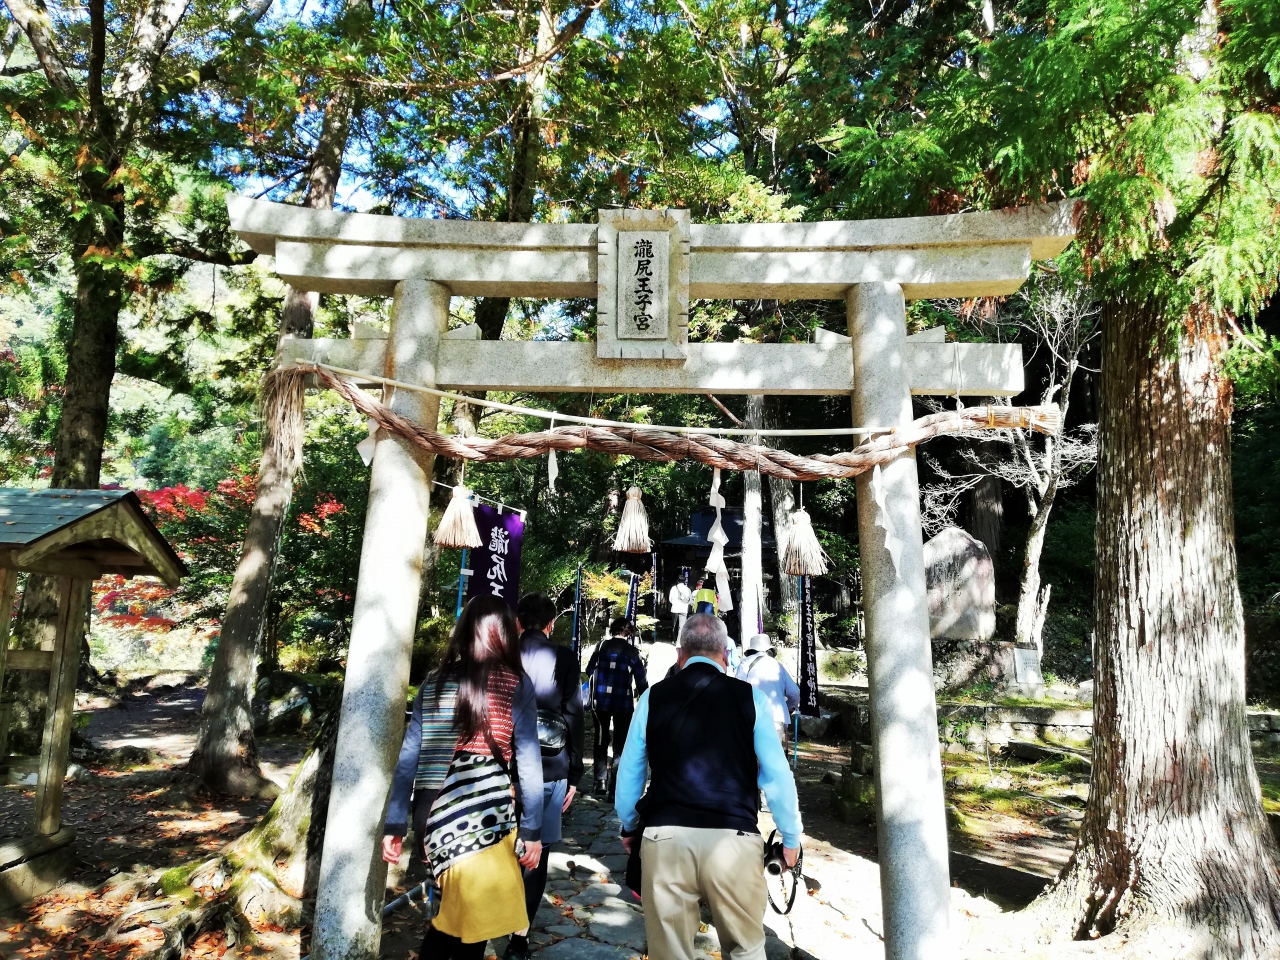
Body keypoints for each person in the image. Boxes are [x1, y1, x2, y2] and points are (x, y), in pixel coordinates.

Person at [614, 615, 802, 960]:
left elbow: (630, 771)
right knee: (746, 949)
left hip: (665, 838)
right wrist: (790, 838)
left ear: (679, 654)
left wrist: (629, 824)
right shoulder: (751, 698)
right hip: (734, 839)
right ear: (726, 655)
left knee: (669, 953)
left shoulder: (653, 697)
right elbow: (777, 774)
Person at [384, 596, 544, 960]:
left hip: (431, 815)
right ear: (505, 633)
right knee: (469, 924)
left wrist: (395, 823)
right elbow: (529, 762)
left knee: (451, 914)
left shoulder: (433, 683)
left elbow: (409, 758)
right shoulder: (515, 684)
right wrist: (532, 830)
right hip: (486, 815)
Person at [507, 593, 585, 959]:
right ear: (551, 624)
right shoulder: (565, 657)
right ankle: (518, 938)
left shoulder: (504, 653)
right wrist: (575, 772)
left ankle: (489, 921)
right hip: (550, 765)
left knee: (499, 848)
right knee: (535, 852)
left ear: (518, 622)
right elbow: (574, 714)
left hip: (505, 765)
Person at [585, 617, 649, 797]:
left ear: (613, 630)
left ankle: (600, 782)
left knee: (601, 740)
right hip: (623, 704)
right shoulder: (632, 652)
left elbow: (589, 670)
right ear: (629, 633)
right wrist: (646, 699)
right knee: (620, 744)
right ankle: (615, 786)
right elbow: (641, 680)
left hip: (600, 702)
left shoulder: (601, 647)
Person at [735, 633, 800, 752]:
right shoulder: (778, 666)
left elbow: (738, 692)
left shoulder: (745, 664)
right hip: (776, 717)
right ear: (769, 650)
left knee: (751, 757)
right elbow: (795, 692)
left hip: (751, 718)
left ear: (751, 650)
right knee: (772, 757)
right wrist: (788, 707)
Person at [668, 574, 692, 638]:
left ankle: (674, 639)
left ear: (677, 581)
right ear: (684, 581)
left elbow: (670, 599)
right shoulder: (688, 589)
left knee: (674, 625)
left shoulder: (673, 588)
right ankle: (679, 641)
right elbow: (690, 601)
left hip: (675, 609)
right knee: (681, 626)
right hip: (683, 609)